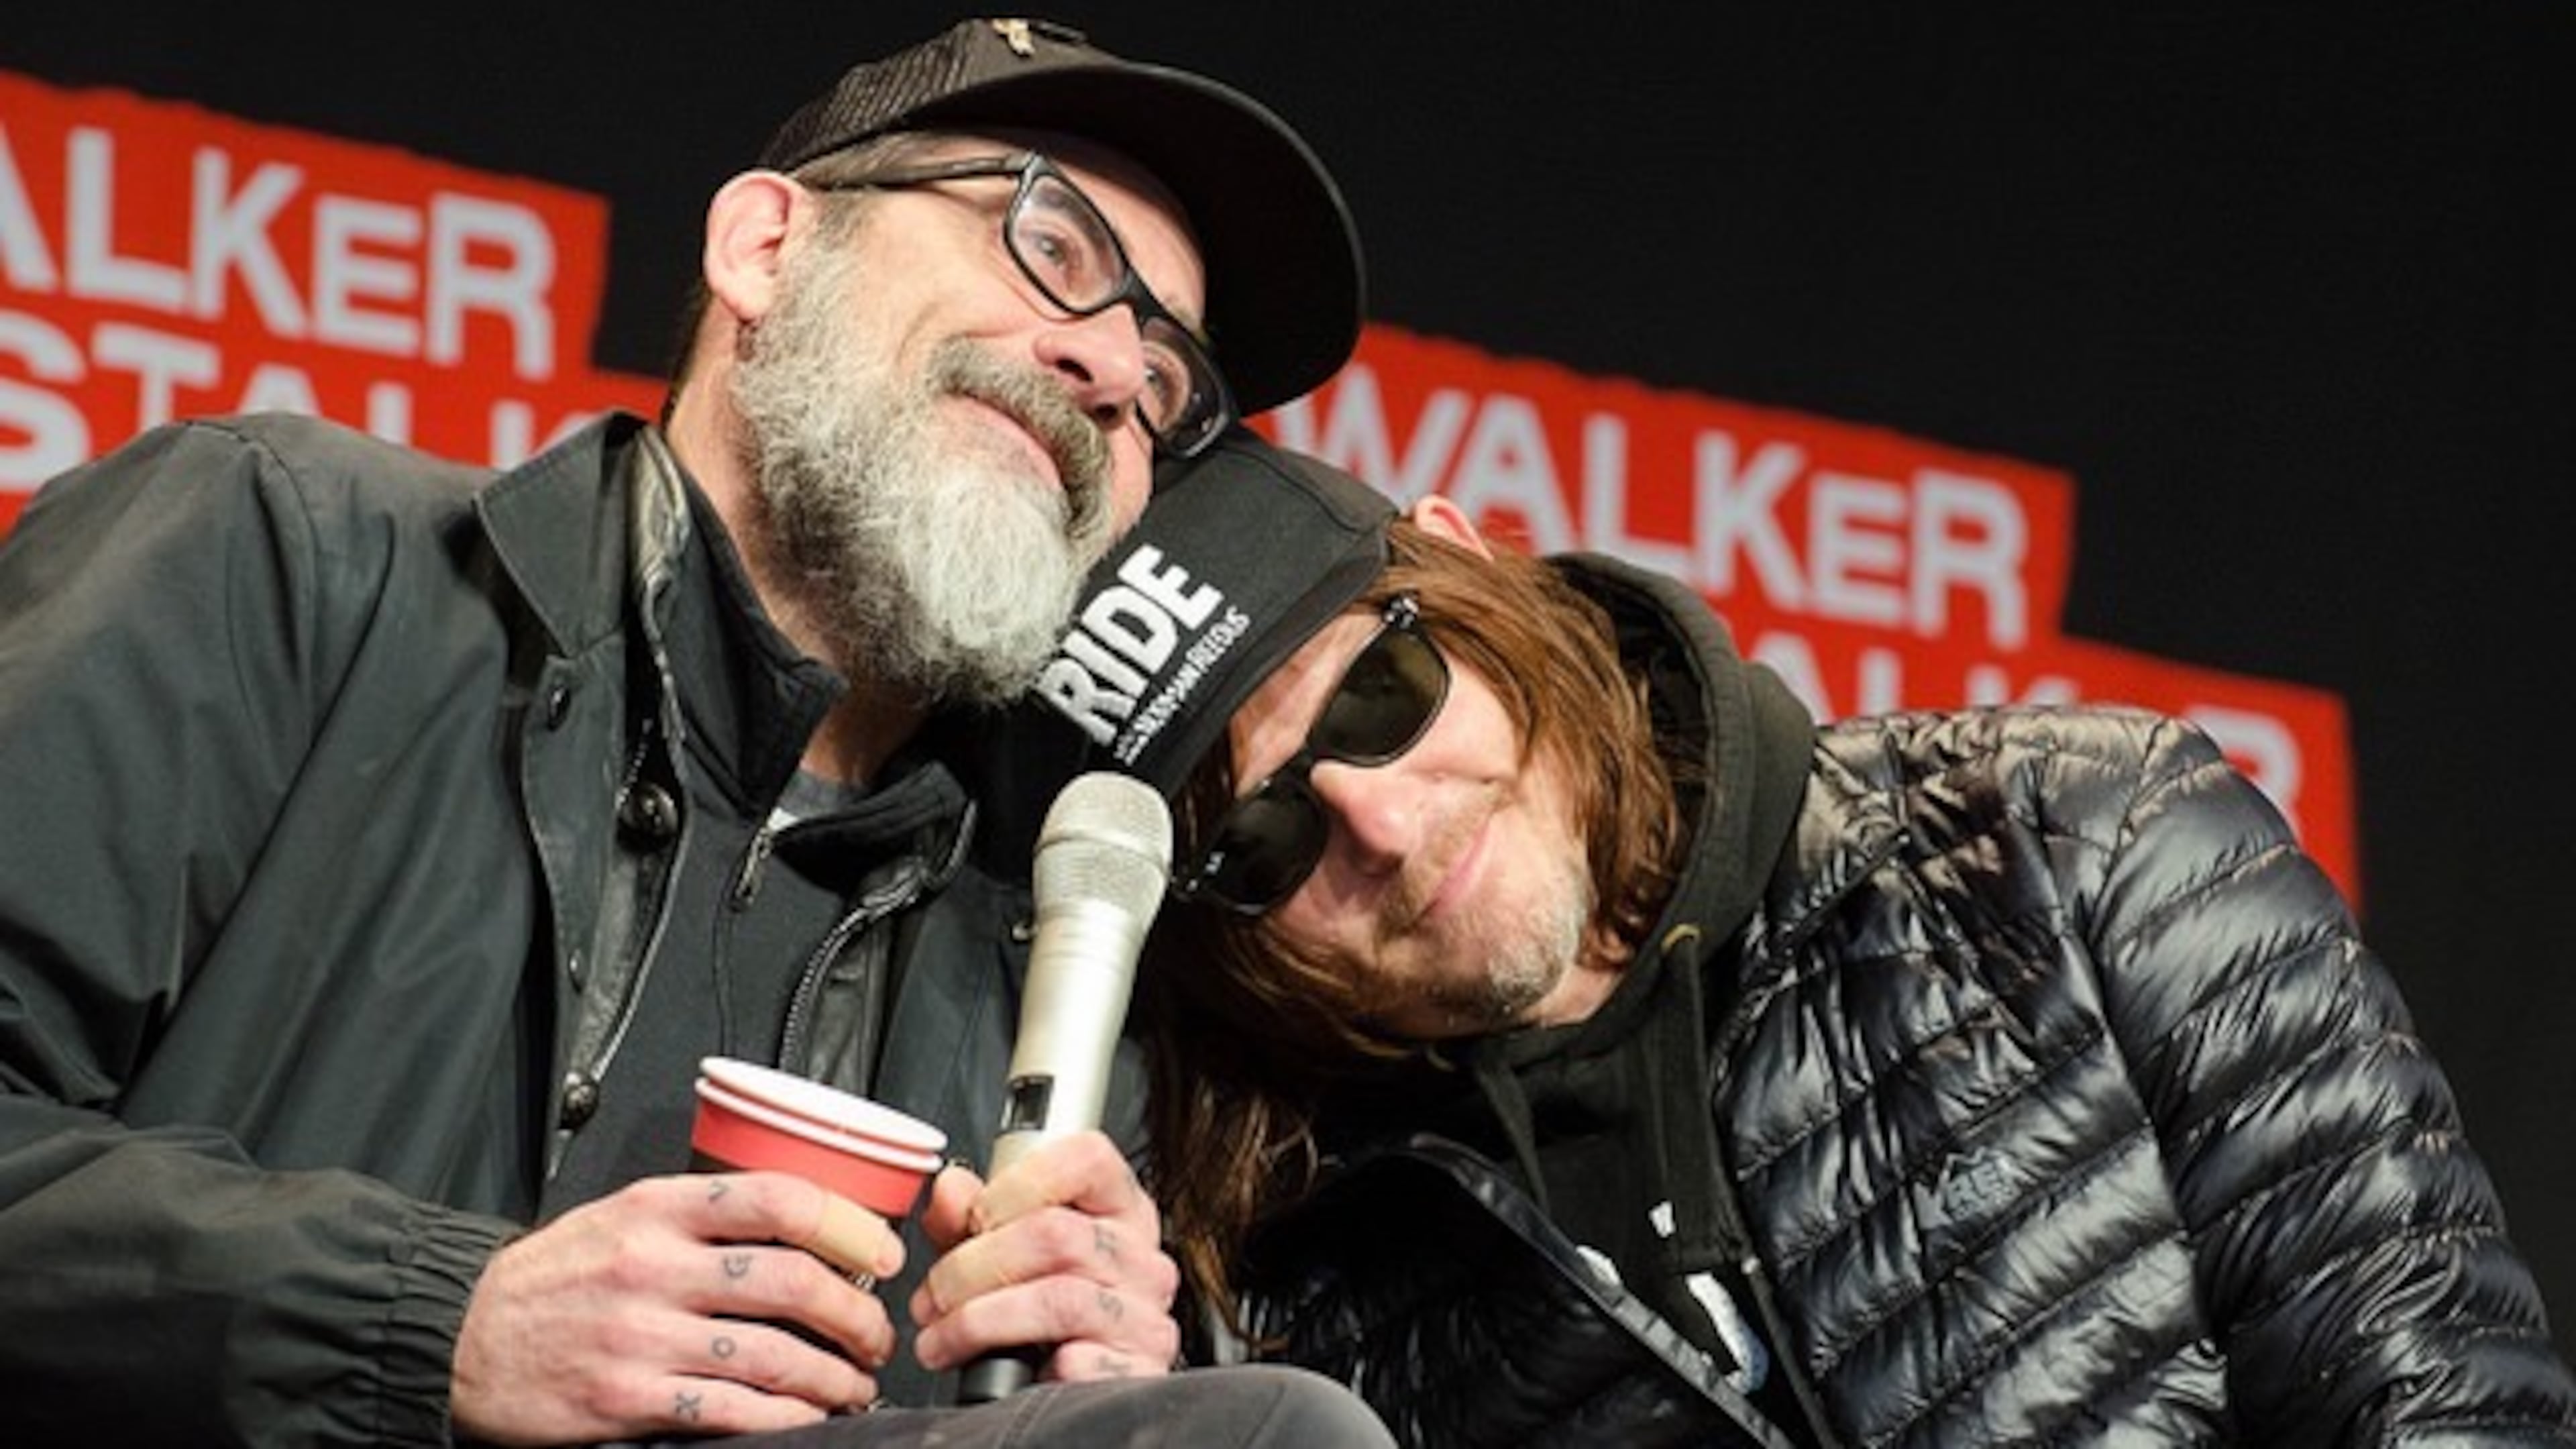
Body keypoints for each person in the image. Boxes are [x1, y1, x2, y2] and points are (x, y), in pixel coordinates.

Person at [0, 17, 1397, 1448]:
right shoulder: (292, 555)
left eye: (1169, 389)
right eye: (1056, 247)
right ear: (765, 251)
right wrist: (430, 1326)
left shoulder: (1047, 948)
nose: (1111, 373)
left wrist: (1088, 1396)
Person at [1026, 431, 2576, 1446]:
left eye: (1385, 696)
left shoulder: (2082, 840)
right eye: (1261, 839)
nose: (1374, 821)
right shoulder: (1288, 1299)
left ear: (1475, 559)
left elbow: (2437, 1406)